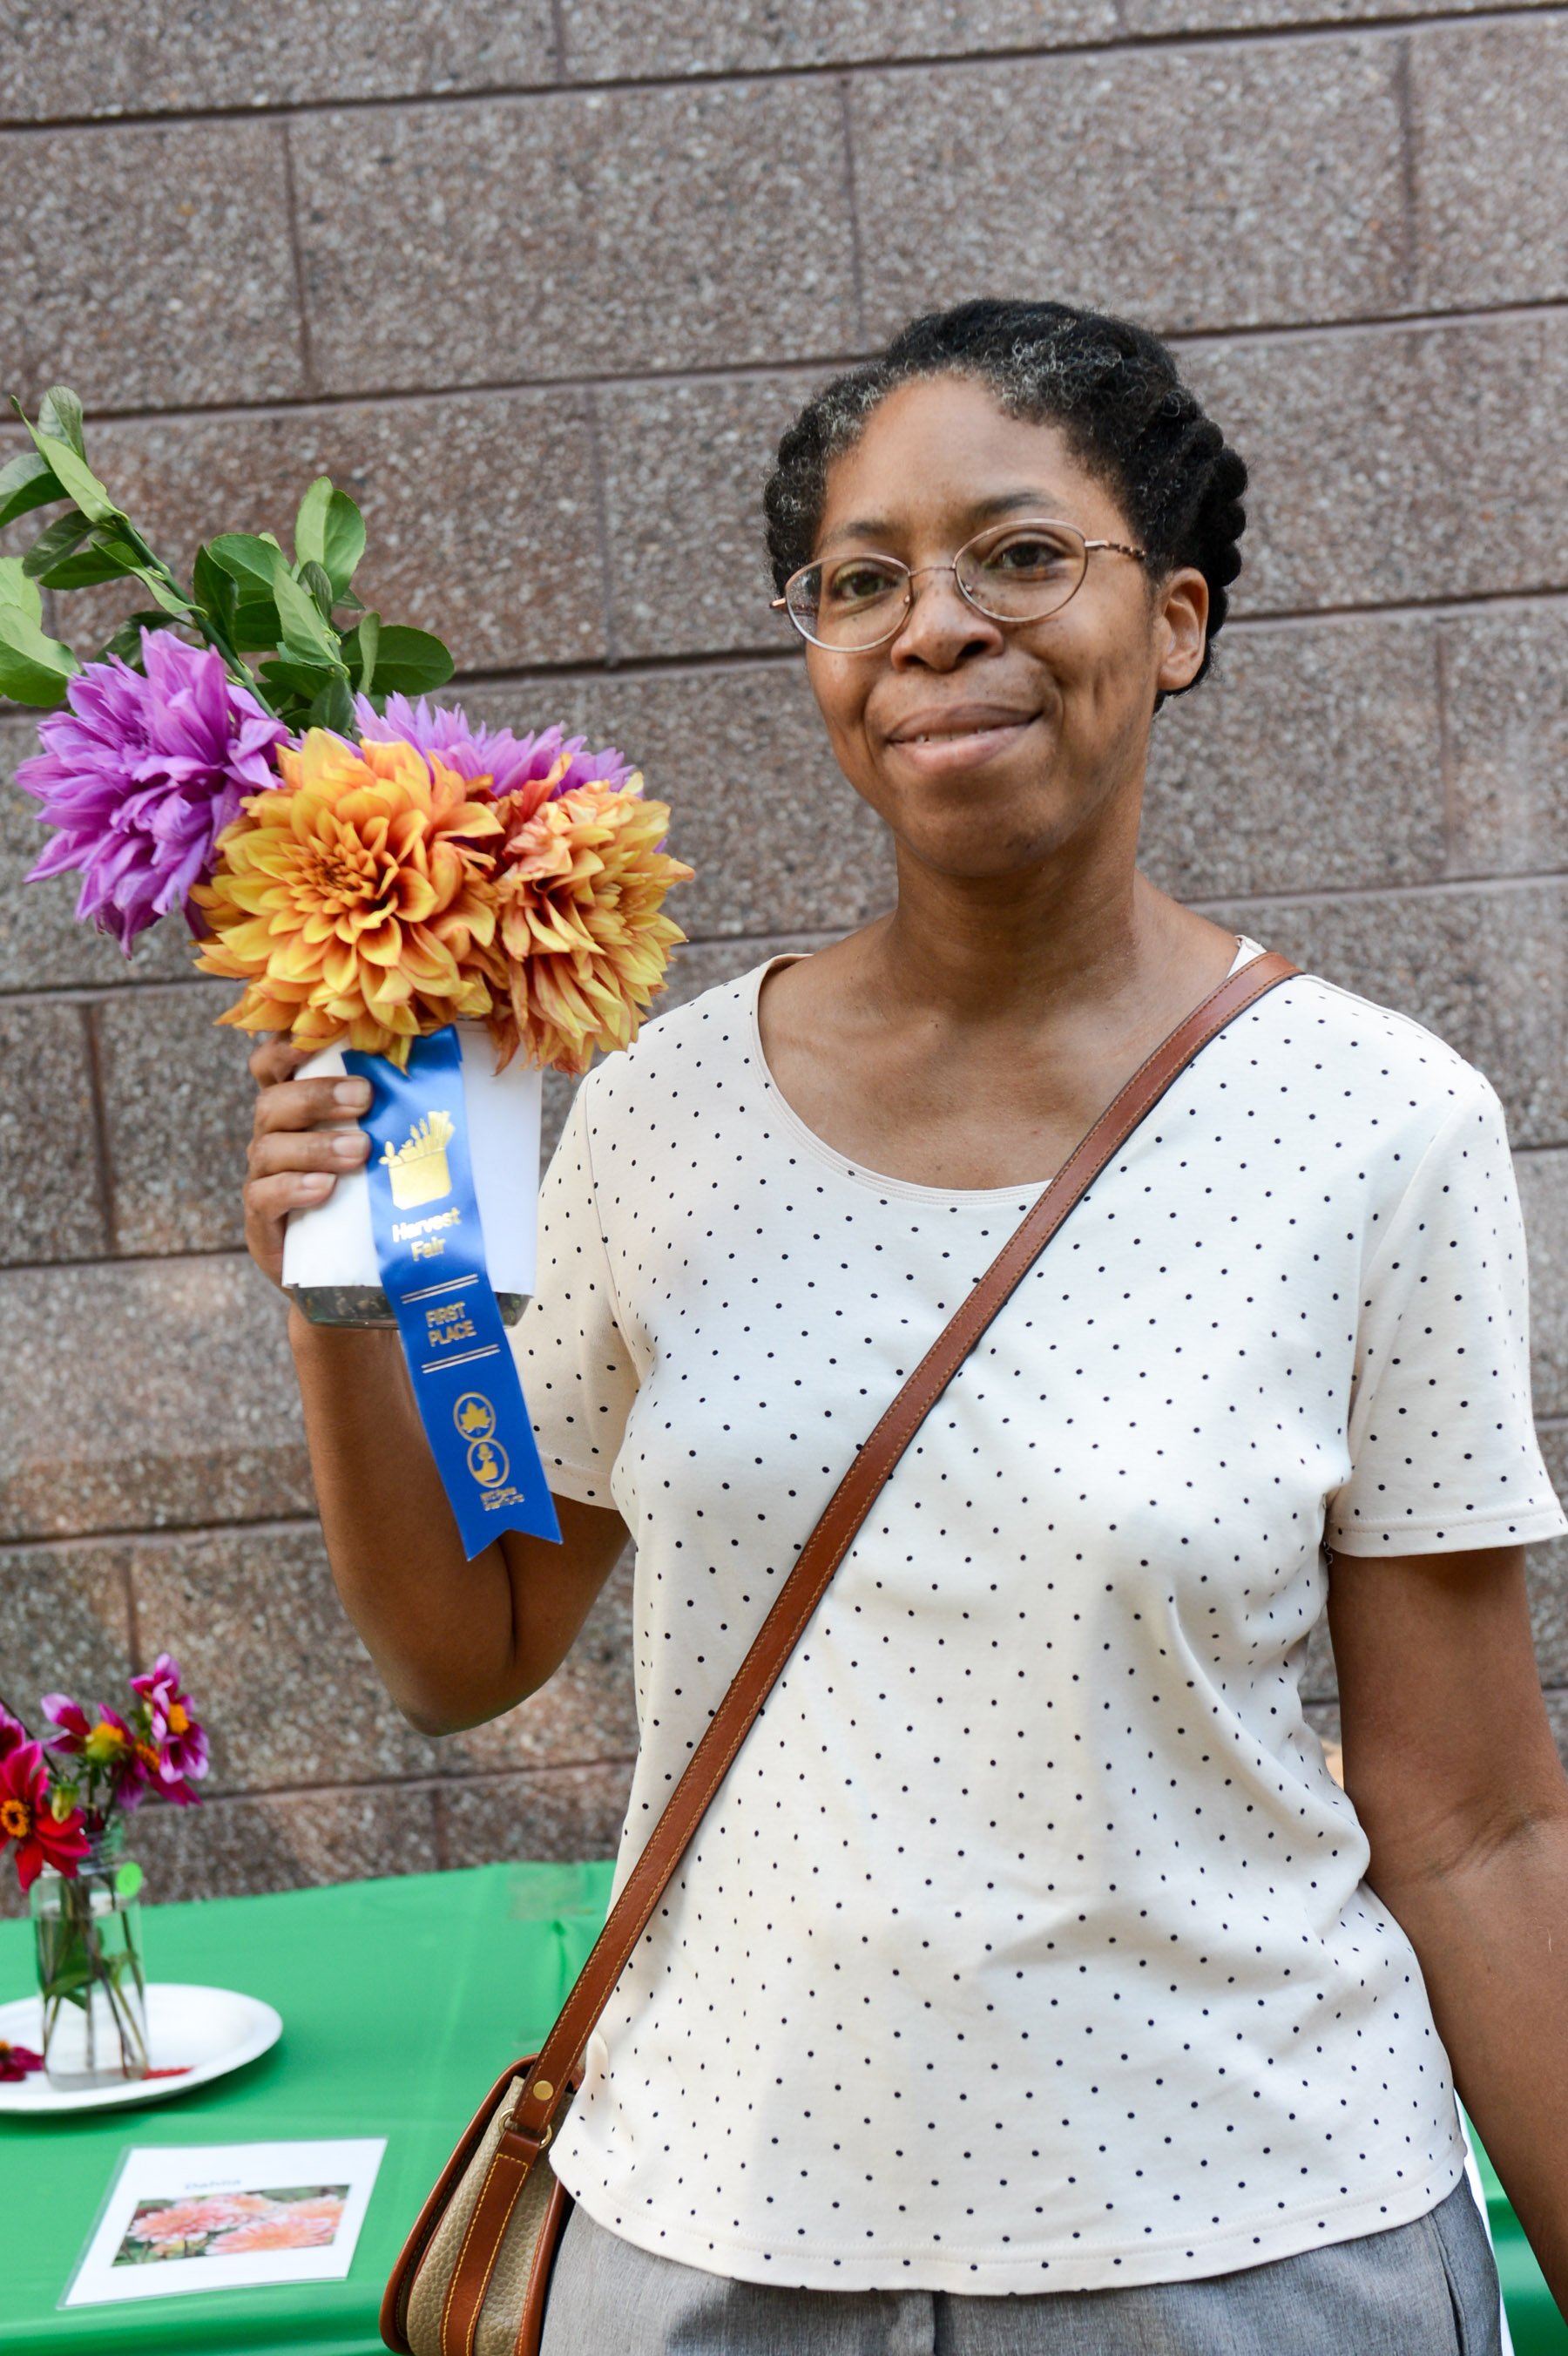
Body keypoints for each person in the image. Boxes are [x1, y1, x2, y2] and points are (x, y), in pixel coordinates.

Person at [243, 301, 1568, 2353]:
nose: (934, 626)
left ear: (1179, 618)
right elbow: (464, 1644)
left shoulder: (1380, 1126)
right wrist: (342, 1297)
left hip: (1243, 2240)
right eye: (861, 581)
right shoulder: (661, 1111)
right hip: (709, 2242)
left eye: (1020, 555)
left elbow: (1476, 1819)